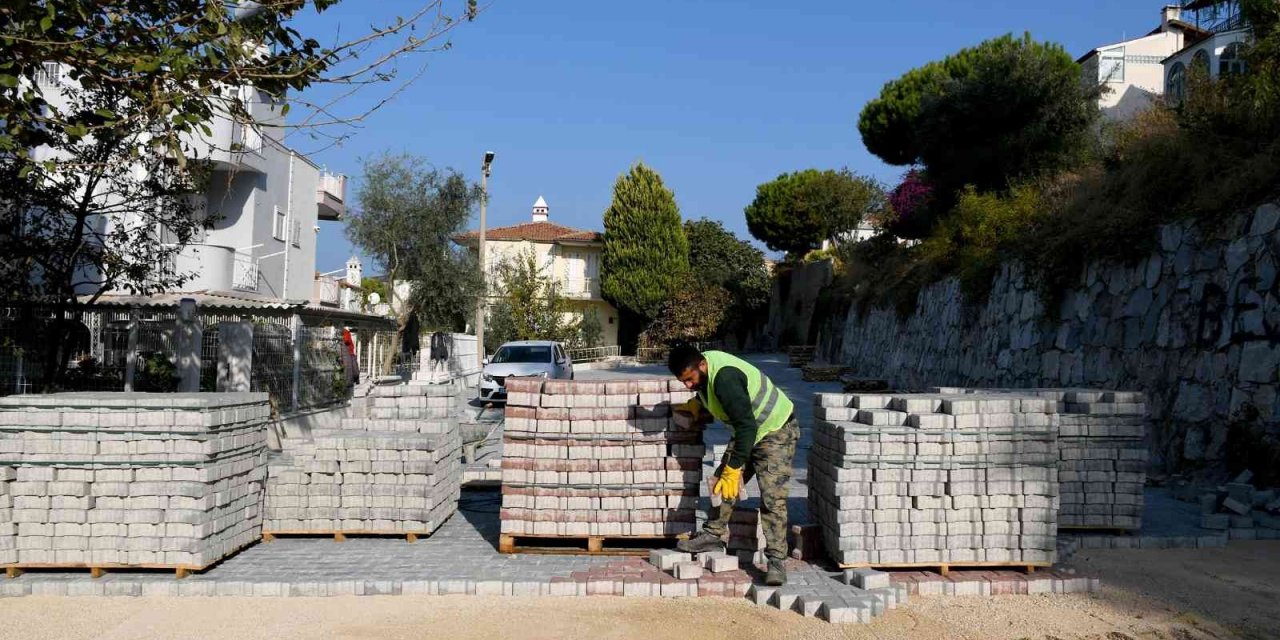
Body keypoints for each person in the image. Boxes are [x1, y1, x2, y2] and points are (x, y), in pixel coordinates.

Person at [668, 343, 799, 586]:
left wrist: (734, 467)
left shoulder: (725, 378)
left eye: (689, 379)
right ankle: (713, 534)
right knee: (721, 484)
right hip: (749, 430)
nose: (688, 385)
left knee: (772, 498)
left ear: (702, 365)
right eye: (683, 381)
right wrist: (698, 403)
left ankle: (776, 561)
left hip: (776, 430)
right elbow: (721, 405)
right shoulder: (705, 373)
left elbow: (747, 426)